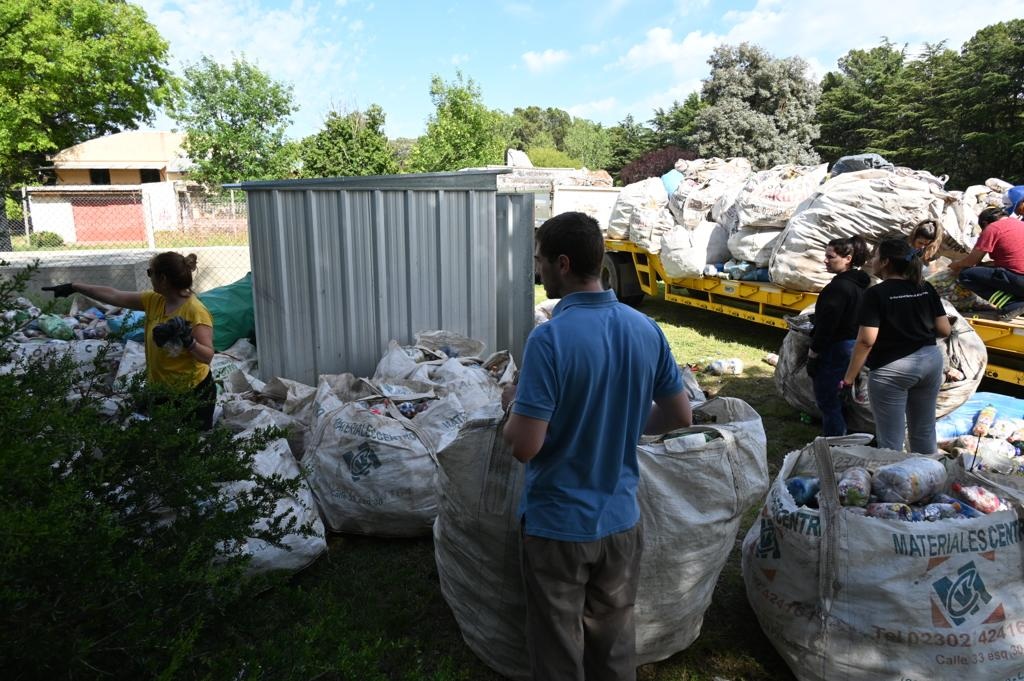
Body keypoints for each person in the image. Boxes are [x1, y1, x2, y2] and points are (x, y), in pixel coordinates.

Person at [501, 211, 691, 681]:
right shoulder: (645, 329)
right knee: (613, 643)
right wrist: (620, 423)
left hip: (559, 527)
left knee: (558, 647)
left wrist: (512, 406)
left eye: (541, 260)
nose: (537, 270)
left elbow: (525, 446)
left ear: (563, 263)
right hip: (621, 520)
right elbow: (678, 416)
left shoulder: (549, 339)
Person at [43, 252, 216, 429]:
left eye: (150, 272)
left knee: (192, 448)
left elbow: (207, 356)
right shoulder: (155, 300)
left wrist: (189, 341)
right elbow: (114, 295)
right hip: (161, 391)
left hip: (192, 394)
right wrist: (75, 287)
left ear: (162, 278)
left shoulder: (195, 312)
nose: (149, 277)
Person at [841, 239, 951, 454]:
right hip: (930, 361)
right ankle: (929, 477)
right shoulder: (925, 286)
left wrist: (849, 378)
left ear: (885, 262)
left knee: (891, 438)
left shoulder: (875, 294)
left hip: (892, 369)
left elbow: (866, 340)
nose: (872, 260)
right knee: (924, 429)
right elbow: (945, 330)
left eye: (875, 256)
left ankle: (895, 482)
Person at [806, 236, 870, 436]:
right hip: (853, 347)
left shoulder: (839, 288)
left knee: (828, 399)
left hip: (837, 348)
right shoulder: (861, 285)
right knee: (840, 396)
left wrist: (814, 352)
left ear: (848, 258)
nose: (825, 260)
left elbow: (827, 325)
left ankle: (833, 446)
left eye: (830, 257)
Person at [948, 212, 1024, 320]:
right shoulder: (1020, 224)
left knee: (966, 274)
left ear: (985, 223)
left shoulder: (993, 228)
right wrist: (983, 265)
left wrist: (957, 264)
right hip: (1019, 279)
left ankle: (1012, 304)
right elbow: (1012, 260)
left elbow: (971, 261)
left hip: (1020, 280)